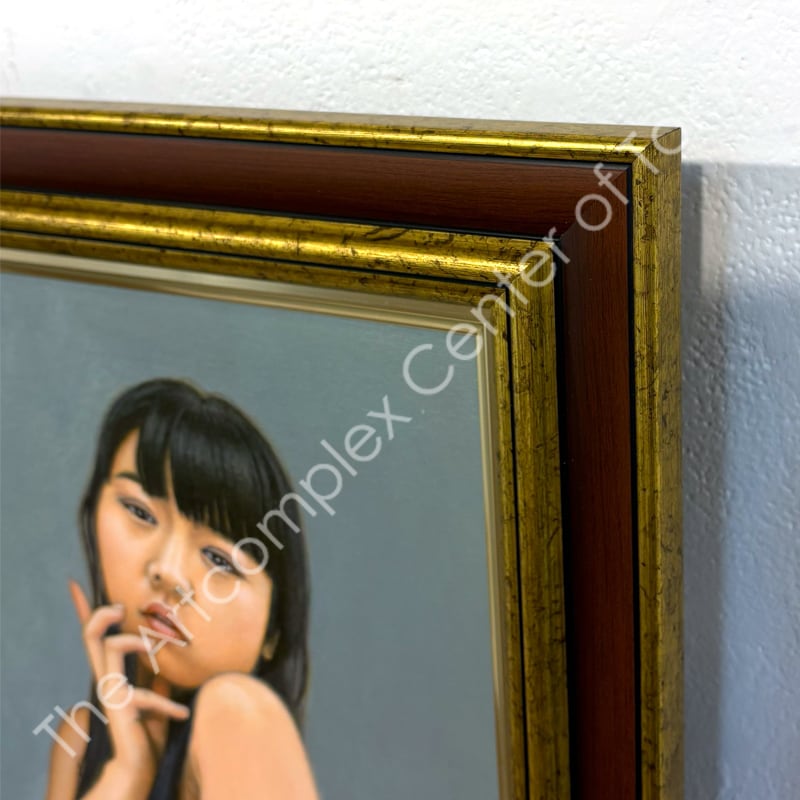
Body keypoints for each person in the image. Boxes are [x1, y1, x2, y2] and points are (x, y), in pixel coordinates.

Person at [44, 378, 318, 799]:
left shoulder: (238, 711)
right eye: (140, 512)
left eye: (219, 560)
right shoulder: (79, 743)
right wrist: (128, 773)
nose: (168, 572)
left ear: (274, 634)